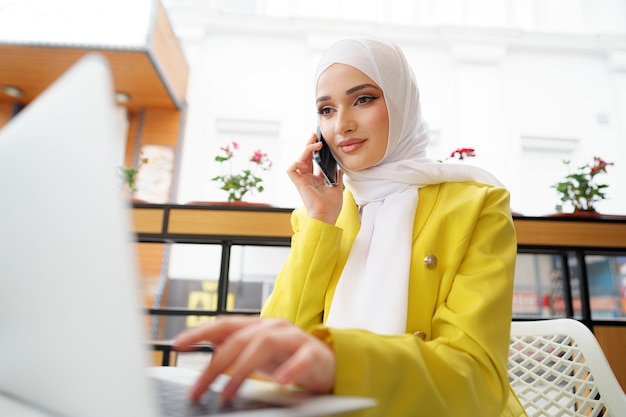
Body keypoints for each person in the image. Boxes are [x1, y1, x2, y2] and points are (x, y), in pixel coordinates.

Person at [175, 37, 527, 417]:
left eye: (363, 99)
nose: (342, 125)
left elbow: (474, 379)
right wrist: (321, 221)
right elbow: (276, 348)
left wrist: (339, 361)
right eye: (326, 110)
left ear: (400, 102)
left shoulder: (476, 206)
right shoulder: (324, 215)